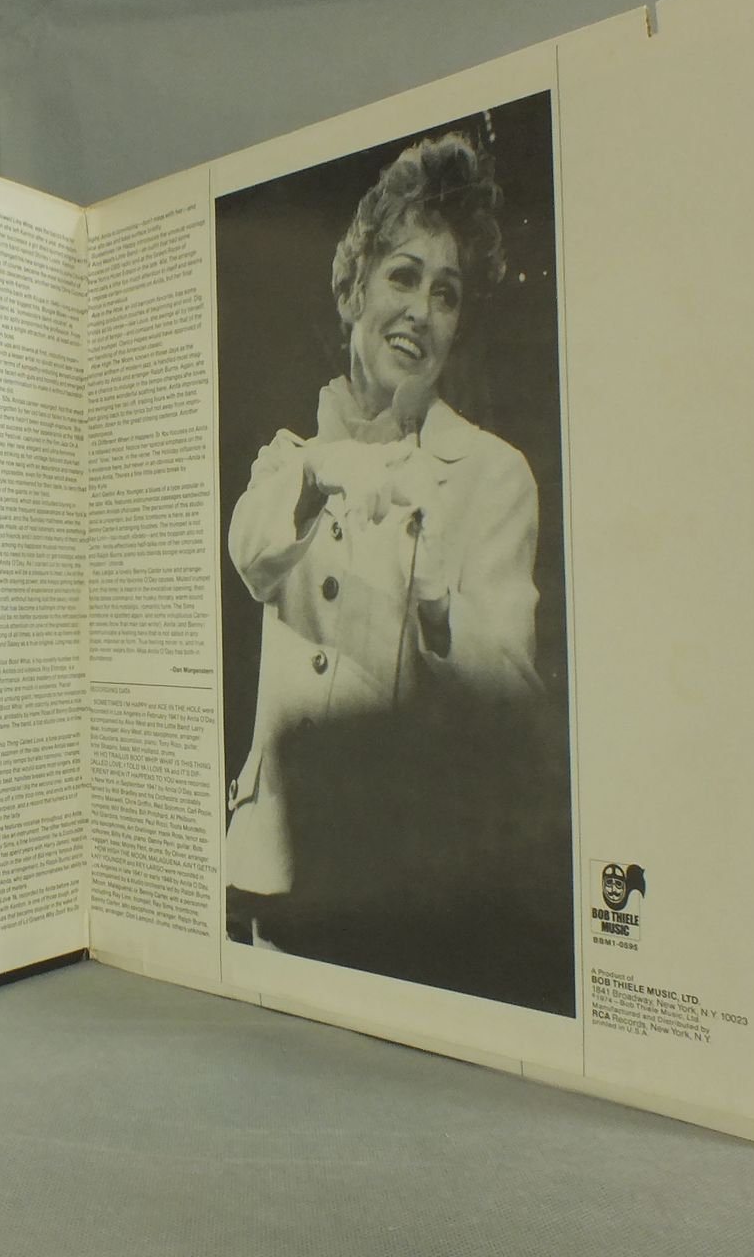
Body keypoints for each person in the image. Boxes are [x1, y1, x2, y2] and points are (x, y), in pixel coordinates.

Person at [225, 131, 547, 961]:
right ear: (353, 288)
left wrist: (437, 605)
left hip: (398, 881)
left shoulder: (492, 474)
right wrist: (318, 475)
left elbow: (514, 686)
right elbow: (250, 554)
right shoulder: (290, 459)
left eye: (446, 294)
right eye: (403, 277)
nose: (420, 312)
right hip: (265, 871)